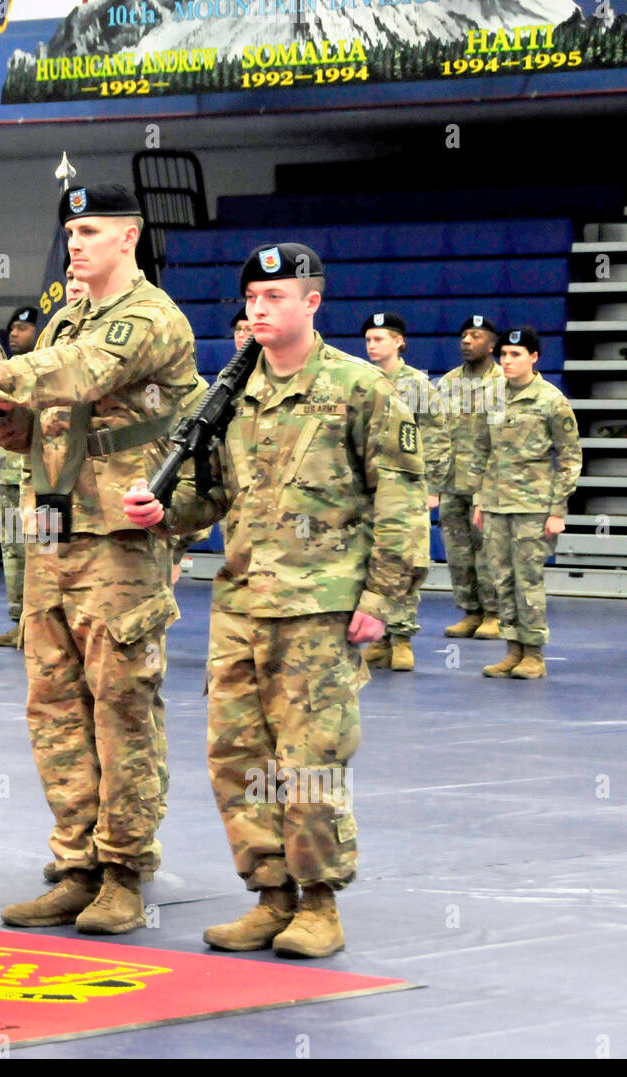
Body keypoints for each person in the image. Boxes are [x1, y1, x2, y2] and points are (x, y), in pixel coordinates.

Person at [0, 184, 198, 935]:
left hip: (119, 542)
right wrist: (5, 414)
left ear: (128, 238)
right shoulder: (67, 316)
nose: (77, 242)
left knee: (121, 707)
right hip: (52, 535)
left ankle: (125, 868)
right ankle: (76, 862)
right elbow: (36, 425)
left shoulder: (149, 319)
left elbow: (83, 376)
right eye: (71, 230)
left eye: (92, 230)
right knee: (55, 710)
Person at [123, 242, 428, 958]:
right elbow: (214, 495)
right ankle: (269, 895)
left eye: (277, 298)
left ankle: (319, 903)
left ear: (313, 302)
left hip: (320, 604)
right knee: (238, 756)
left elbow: (403, 497)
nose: (260, 309)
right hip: (240, 604)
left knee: (311, 759)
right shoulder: (228, 395)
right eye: (252, 300)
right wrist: (161, 511)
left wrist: (385, 597)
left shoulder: (361, 389)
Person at [472, 326, 581, 680]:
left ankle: (534, 653)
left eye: (515, 355)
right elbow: (481, 452)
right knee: (501, 579)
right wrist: (479, 500)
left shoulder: (551, 400)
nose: (507, 361)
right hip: (496, 504)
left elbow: (569, 457)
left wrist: (557, 510)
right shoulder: (491, 395)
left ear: (534, 357)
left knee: (528, 581)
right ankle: (512, 649)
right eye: (503, 354)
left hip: (534, 506)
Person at [358, 311, 452, 671]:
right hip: (370, 487)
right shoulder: (361, 380)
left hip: (408, 485)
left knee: (407, 561)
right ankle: (379, 637)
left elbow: (437, 437)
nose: (372, 345)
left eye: (379, 338)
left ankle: (402, 638)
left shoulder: (417, 384)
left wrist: (433, 486)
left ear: (399, 341)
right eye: (368, 339)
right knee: (371, 560)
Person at [437, 316, 505, 639]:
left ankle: (494, 613)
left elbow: (504, 442)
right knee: (457, 552)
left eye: (475, 336)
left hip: (486, 483)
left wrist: (489, 487)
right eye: (463, 335)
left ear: (491, 345)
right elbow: (436, 433)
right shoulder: (447, 382)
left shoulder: (504, 383)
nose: (466, 340)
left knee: (487, 551)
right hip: (452, 482)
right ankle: (471, 611)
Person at [0, 304, 41, 648]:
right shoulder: (8, 369)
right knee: (11, 549)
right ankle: (18, 618)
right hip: (7, 472)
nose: (15, 333)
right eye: (12, 329)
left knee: (36, 548)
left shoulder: (44, 369)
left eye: (23, 328)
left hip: (33, 475)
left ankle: (35, 621)